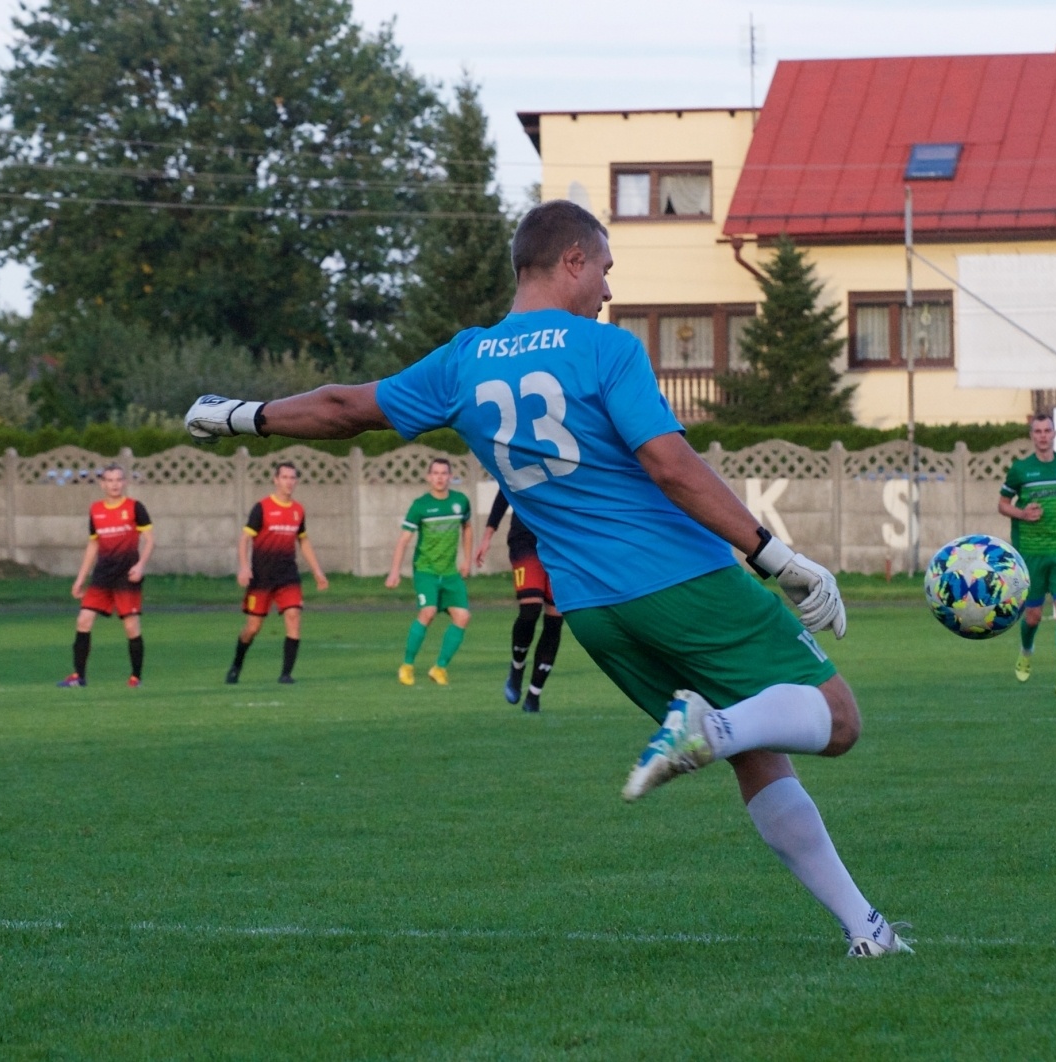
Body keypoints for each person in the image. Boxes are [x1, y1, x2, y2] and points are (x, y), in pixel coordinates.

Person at [186, 199, 911, 957]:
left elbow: (342, 407)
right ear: (570, 260)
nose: (606, 288)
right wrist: (776, 556)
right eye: (602, 268)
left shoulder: (463, 360)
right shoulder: (605, 350)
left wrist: (241, 415)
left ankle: (867, 929)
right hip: (679, 580)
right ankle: (712, 727)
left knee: (758, 755)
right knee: (837, 717)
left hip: (596, 612)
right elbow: (670, 465)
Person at [998, 411, 1056, 701]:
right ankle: (1026, 651)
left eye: (1046, 430)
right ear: (1032, 436)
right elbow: (1002, 504)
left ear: (1053, 434)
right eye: (1037, 431)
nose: (1042, 435)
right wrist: (1022, 513)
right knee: (1033, 616)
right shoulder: (1020, 470)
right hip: (1032, 552)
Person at [227, 460, 330, 683]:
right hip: (262, 578)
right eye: (285, 477)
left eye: (293, 478)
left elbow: (303, 541)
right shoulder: (262, 508)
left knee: (294, 617)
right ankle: (236, 665)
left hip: (288, 576)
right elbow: (245, 539)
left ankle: (286, 674)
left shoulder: (298, 510)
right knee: (252, 628)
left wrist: (317, 571)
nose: (289, 482)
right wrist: (244, 566)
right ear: (276, 480)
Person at [57, 464, 153, 688]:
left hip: (127, 576)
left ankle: (135, 677)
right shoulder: (96, 510)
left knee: (131, 627)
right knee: (83, 620)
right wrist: (81, 578)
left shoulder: (135, 507)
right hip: (102, 576)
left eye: (119, 480)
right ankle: (79, 677)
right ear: (102, 484)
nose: (114, 484)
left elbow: (150, 540)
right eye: (110, 480)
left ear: (124, 482)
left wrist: (140, 565)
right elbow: (93, 545)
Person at [385, 457, 473, 686]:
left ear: (450, 476)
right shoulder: (420, 506)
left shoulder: (460, 502)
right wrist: (394, 572)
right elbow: (404, 540)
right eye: (435, 473)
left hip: (450, 573)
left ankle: (439, 668)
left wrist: (467, 560)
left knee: (463, 617)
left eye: (444, 473)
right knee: (428, 612)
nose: (440, 477)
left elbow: (468, 527)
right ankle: (407, 665)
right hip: (426, 571)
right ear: (428, 477)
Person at [475, 492, 562, 713]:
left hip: (560, 543)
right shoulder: (522, 459)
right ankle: (517, 667)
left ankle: (534, 695)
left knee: (555, 618)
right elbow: (504, 492)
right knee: (530, 608)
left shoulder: (569, 462)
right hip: (525, 539)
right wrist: (487, 536)